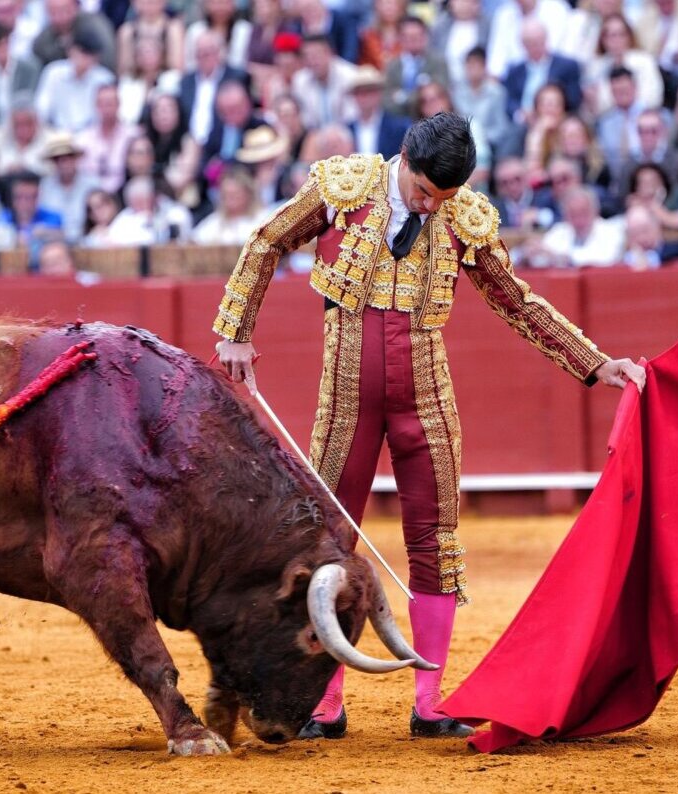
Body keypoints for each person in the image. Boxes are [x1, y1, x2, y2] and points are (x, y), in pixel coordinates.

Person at [213, 112, 645, 740]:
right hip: (344, 399)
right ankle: (323, 701)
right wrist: (236, 330)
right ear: (405, 159)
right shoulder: (345, 187)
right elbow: (266, 240)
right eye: (422, 192)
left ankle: (430, 699)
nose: (430, 205)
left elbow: (514, 300)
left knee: (436, 543)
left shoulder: (463, 215)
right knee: (329, 543)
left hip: (426, 397)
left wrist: (595, 362)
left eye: (443, 199)